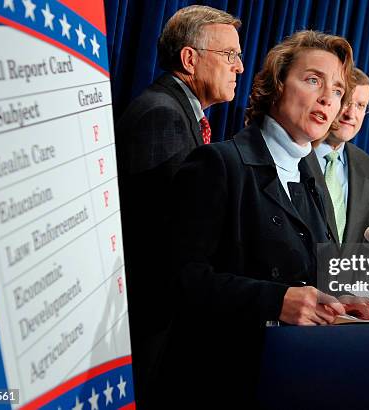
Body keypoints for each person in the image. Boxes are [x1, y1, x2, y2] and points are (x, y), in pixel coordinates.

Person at [157, 31, 369, 406]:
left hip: (287, 380)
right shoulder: (221, 163)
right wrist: (275, 300)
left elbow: (304, 277)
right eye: (313, 80)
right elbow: (176, 280)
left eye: (337, 91)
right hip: (216, 384)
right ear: (276, 84)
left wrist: (344, 303)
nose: (327, 99)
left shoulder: (310, 180)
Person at [113, 5, 243, 406]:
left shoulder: (180, 112)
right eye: (230, 55)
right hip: (149, 320)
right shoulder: (162, 116)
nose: (239, 67)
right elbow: (160, 233)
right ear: (190, 58)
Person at [305, 68, 369, 245]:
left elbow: (368, 246)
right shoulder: (297, 153)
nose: (351, 114)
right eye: (347, 102)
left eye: (360, 106)